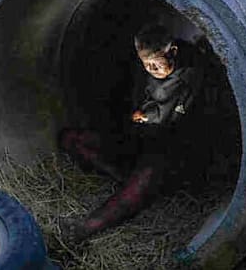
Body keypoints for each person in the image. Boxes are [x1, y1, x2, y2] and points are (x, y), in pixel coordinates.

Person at [59, 23, 205, 243]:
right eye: (147, 64)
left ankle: (83, 229)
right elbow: (130, 100)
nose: (152, 69)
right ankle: (125, 177)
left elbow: (173, 120)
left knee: (140, 186)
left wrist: (146, 117)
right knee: (71, 139)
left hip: (168, 151)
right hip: (137, 138)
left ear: (173, 51)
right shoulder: (144, 70)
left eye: (156, 63)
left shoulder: (190, 75)